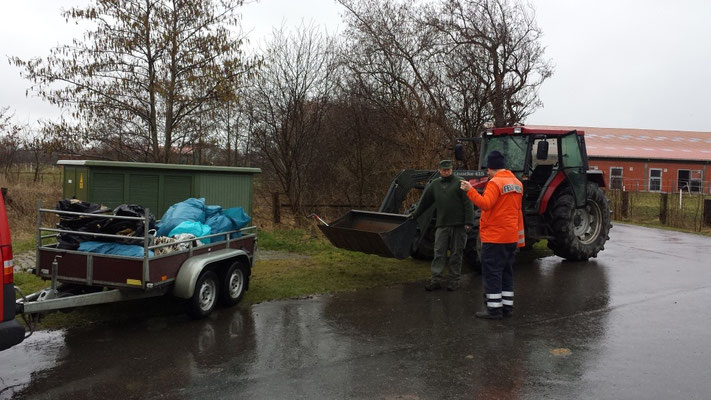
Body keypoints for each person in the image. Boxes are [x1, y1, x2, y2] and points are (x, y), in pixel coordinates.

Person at [460, 150, 524, 319]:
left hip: (495, 236)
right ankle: (507, 307)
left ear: (492, 167)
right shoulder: (517, 183)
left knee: (492, 272)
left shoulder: (495, 183)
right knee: (507, 272)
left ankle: (494, 310)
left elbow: (485, 204)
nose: (486, 171)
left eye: (488, 168)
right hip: (510, 236)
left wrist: (469, 190)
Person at [410, 160, 474, 291]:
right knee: (439, 252)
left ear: (452, 169)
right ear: (439, 170)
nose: (447, 172)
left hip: (459, 225)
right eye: (444, 170)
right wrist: (415, 215)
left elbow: (468, 203)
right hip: (442, 224)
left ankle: (454, 280)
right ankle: (436, 280)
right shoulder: (435, 185)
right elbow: (425, 202)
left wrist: (468, 221)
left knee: (456, 253)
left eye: (449, 170)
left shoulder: (460, 182)